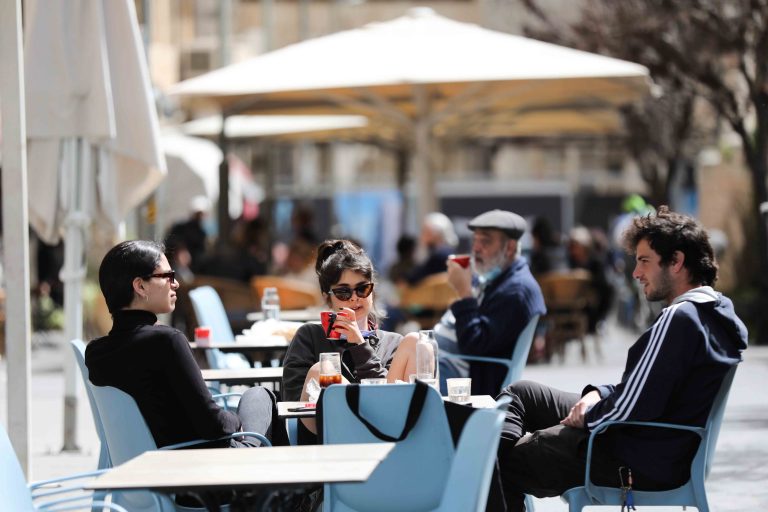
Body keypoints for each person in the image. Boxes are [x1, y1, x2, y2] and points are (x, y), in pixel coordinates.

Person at [496, 206, 748, 512]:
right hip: (652, 443)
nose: (636, 273)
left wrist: (588, 417)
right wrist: (596, 395)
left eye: (644, 261)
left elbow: (632, 406)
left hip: (632, 455)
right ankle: (498, 463)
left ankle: (496, 467)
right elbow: (644, 388)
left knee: (496, 463)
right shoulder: (715, 310)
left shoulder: (680, 318)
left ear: (677, 261)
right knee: (522, 394)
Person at [86, 241, 284, 452]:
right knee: (260, 395)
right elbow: (214, 425)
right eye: (168, 276)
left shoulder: (95, 352)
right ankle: (290, 482)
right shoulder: (167, 341)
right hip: (203, 468)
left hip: (145, 466)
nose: (176, 283)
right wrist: (237, 420)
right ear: (140, 286)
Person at [282, 239, 418, 441]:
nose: (354, 298)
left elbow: (387, 402)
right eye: (343, 292)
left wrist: (359, 345)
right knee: (323, 370)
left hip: (383, 435)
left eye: (362, 289)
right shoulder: (309, 336)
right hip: (325, 437)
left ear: (372, 291)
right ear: (327, 297)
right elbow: (295, 405)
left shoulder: (394, 343)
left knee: (416, 340)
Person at [436, 209, 546, 396]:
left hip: (465, 381)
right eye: (475, 241)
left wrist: (464, 292)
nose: (476, 248)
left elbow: (474, 344)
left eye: (485, 241)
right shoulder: (499, 279)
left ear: (510, 248)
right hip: (453, 368)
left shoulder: (516, 291)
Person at [405, 212, 458, 285]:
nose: (421, 236)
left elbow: (413, 278)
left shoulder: (439, 257)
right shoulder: (449, 253)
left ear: (433, 234)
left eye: (424, 231)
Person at [165, 195, 210, 273]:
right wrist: (180, 250)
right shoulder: (179, 227)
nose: (199, 216)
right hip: (175, 267)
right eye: (198, 213)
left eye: (201, 214)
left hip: (194, 270)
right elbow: (169, 242)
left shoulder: (202, 233)